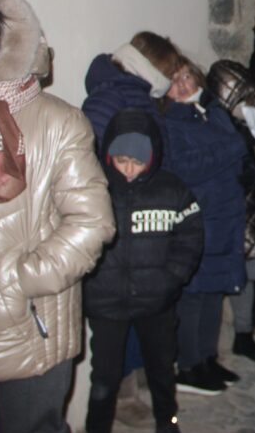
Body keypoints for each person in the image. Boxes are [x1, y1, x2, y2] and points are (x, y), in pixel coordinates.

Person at [0, 0, 115, 433]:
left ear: (10, 48)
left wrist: (26, 279)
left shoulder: (57, 122)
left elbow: (92, 221)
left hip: (30, 325)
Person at [83, 109, 204, 433]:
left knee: (162, 368)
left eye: (138, 162)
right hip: (106, 300)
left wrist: (173, 277)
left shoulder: (172, 189)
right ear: (109, 154)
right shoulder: (93, 187)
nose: (130, 170)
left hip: (156, 298)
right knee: (104, 376)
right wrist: (88, 282)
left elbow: (190, 236)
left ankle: (168, 422)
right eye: (122, 161)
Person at [162, 59, 248, 396]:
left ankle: (207, 357)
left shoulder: (213, 111)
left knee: (215, 291)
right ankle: (188, 365)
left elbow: (236, 159)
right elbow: (187, 168)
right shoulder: (171, 121)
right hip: (200, 218)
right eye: (174, 79)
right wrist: (234, 145)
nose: (182, 84)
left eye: (186, 76)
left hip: (226, 216)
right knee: (194, 295)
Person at [206, 60, 255, 363]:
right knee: (252, 271)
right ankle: (243, 335)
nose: (250, 102)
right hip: (238, 211)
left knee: (249, 272)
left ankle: (247, 333)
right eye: (244, 95)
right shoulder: (222, 126)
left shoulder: (250, 123)